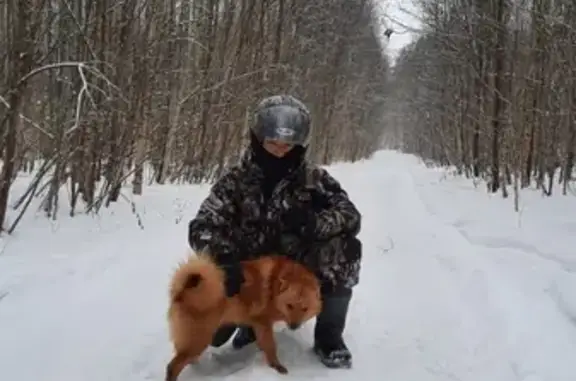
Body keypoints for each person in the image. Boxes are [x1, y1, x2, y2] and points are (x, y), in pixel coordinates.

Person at [187, 94, 362, 369]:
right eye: (272, 143)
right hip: (249, 270)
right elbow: (203, 225)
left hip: (296, 264)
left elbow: (350, 216)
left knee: (347, 248)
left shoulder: (313, 179)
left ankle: (329, 338)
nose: (280, 151)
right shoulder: (236, 181)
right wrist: (222, 260)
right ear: (258, 139)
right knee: (213, 335)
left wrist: (313, 224)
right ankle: (249, 322)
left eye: (288, 145)